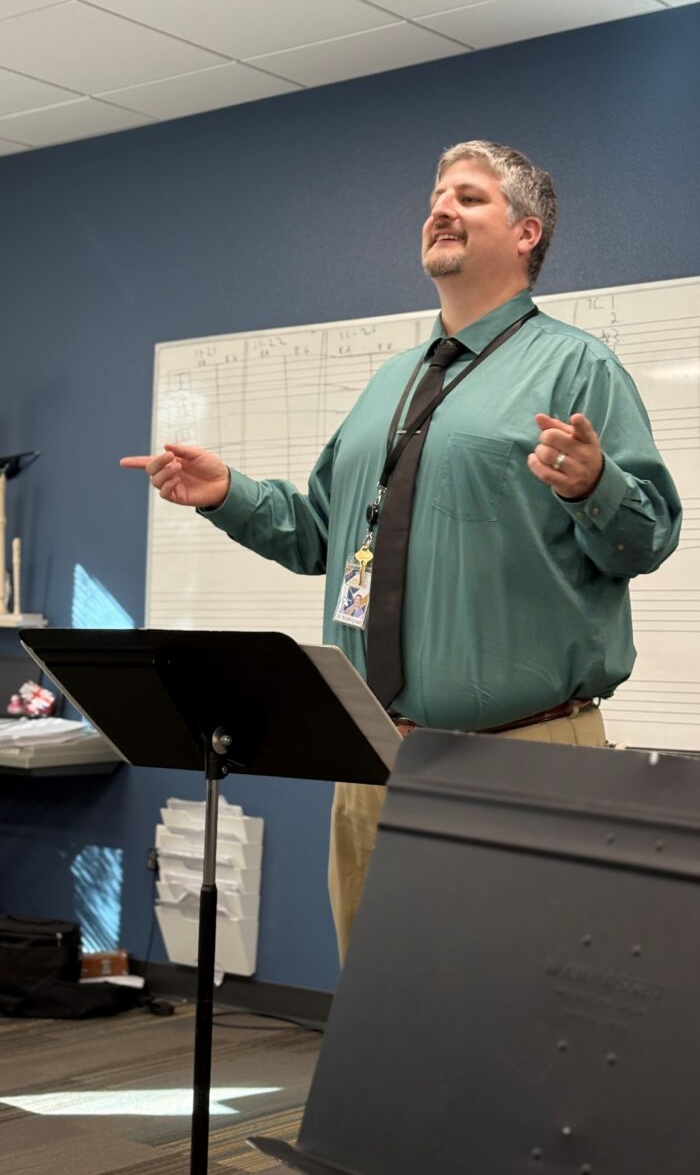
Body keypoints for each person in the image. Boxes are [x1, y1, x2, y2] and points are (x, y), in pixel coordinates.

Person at [122, 140, 682, 962]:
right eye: (435, 194)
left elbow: (651, 537)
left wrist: (591, 483)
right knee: (378, 1018)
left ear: (527, 233)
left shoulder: (575, 366)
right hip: (376, 756)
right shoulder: (390, 382)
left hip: (523, 756)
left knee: (516, 1013)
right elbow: (323, 534)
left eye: (470, 196)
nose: (440, 208)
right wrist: (228, 494)